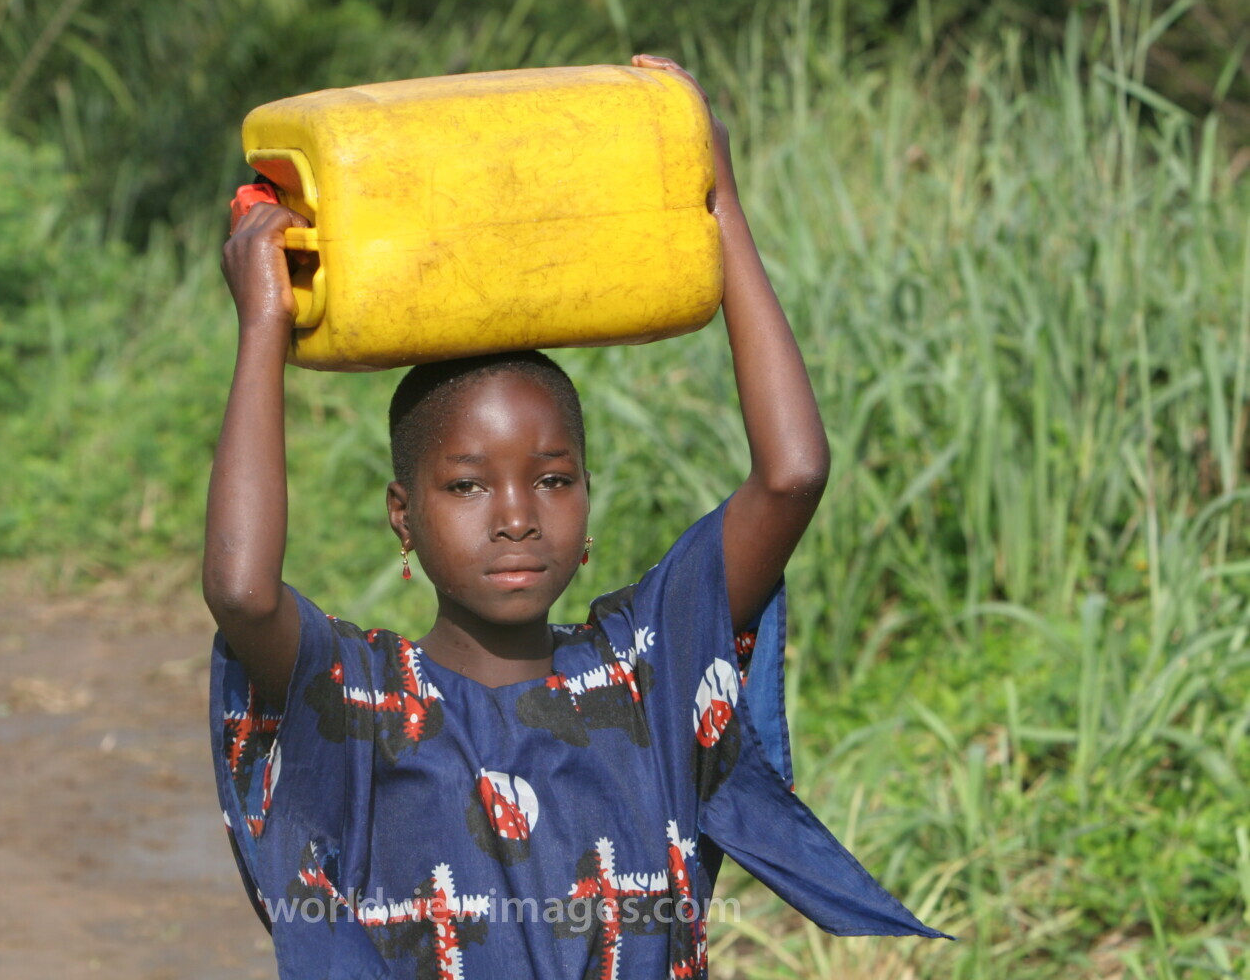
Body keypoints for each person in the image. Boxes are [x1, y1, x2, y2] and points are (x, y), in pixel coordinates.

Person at [204, 56, 948, 979]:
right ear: (404, 515)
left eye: (552, 481)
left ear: (589, 497)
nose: (516, 517)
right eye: (468, 486)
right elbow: (241, 592)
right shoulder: (363, 700)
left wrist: (720, 207)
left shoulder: (646, 668)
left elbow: (792, 475)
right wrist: (264, 329)